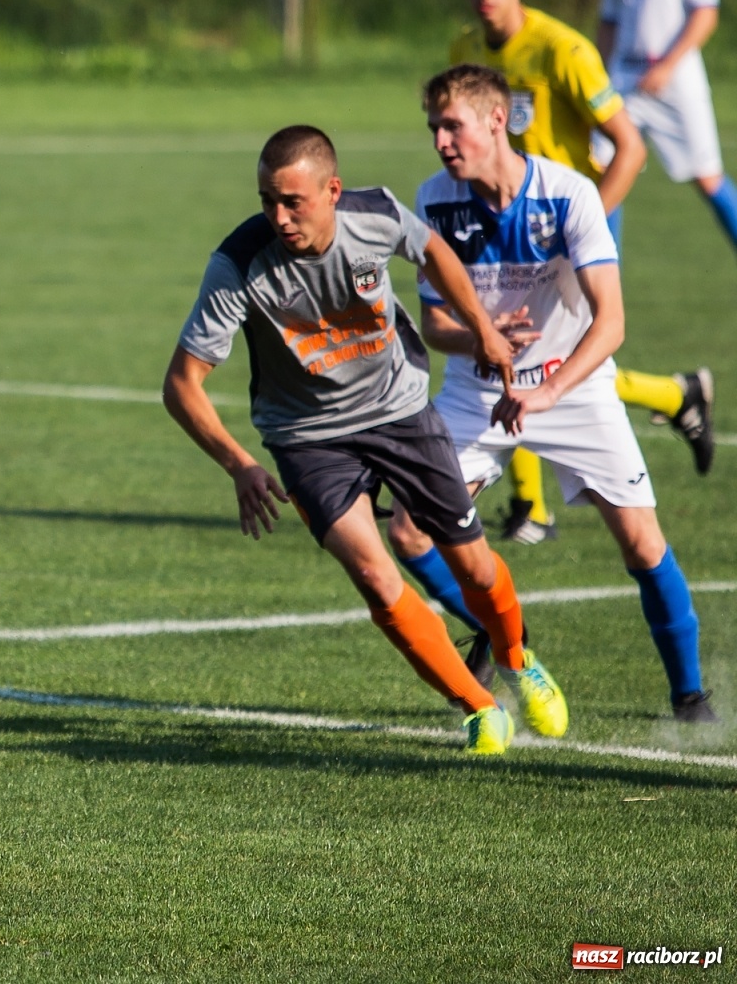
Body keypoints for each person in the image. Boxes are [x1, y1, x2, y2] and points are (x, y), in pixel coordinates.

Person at [162, 124, 568, 756]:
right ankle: (479, 708)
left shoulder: (374, 214)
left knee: (474, 563)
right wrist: (239, 464)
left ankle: (516, 658)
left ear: (332, 190)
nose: (279, 216)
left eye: (293, 201)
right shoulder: (240, 262)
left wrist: (481, 326)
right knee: (376, 577)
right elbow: (182, 384)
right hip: (307, 437)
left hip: (400, 412)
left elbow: (433, 251)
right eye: (268, 199)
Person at [387, 65, 715, 724]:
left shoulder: (568, 196)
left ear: (497, 120)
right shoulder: (435, 200)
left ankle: (691, 699)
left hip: (574, 391)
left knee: (643, 544)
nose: (441, 142)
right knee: (408, 531)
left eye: (452, 126)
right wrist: (482, 339)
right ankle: (508, 634)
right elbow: (434, 325)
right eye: (434, 128)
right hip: (477, 396)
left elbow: (611, 321)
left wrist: (549, 389)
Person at [450, 0, 712, 557]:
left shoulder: (562, 49)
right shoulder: (464, 46)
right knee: (506, 352)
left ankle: (537, 503)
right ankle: (536, 504)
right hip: (501, 236)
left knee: (564, 366)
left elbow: (630, 145)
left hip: (561, 235)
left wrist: (580, 226)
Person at [601, 0, 737, 263]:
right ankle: (603, 273)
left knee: (707, 177)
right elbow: (609, 20)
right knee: (605, 171)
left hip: (675, 78)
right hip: (624, 78)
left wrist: (667, 65)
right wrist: (599, 73)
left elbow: (705, 13)